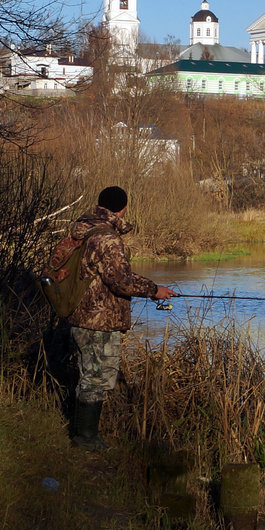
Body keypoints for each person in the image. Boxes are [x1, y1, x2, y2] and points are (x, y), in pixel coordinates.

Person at [62, 185, 177, 449]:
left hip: (80, 316)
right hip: (100, 321)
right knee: (98, 378)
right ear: (122, 208)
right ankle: (86, 438)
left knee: (88, 375)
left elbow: (113, 276)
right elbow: (120, 281)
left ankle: (83, 435)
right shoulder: (108, 239)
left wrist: (153, 287)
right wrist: (153, 290)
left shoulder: (85, 229)